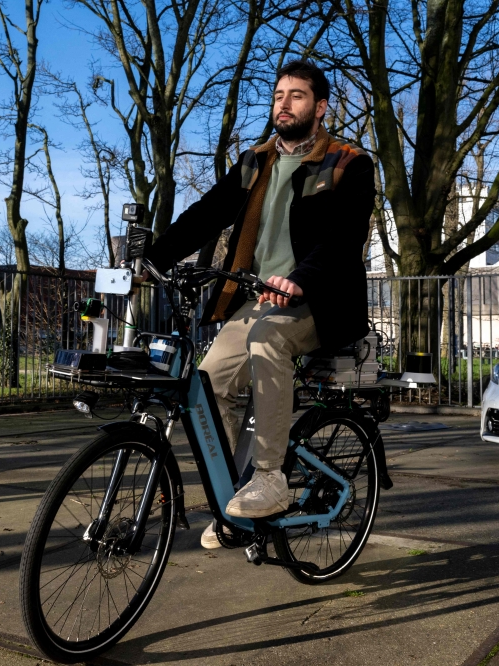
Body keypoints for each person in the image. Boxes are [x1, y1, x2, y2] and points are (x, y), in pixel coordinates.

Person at [142, 60, 376, 548]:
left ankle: (270, 477)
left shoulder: (348, 163)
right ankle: (231, 497)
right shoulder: (256, 161)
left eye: (296, 95)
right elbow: (206, 213)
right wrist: (152, 259)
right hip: (257, 298)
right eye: (277, 96)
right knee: (208, 384)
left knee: (268, 340)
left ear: (320, 107)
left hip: (319, 300)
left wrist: (299, 279)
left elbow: (343, 237)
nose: (283, 104)